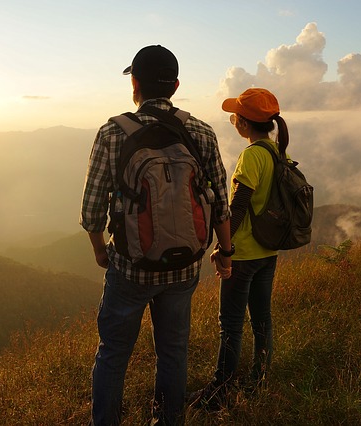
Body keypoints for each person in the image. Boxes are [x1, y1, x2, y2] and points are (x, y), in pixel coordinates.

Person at [80, 45, 232, 425]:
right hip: (184, 268)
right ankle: (168, 420)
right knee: (173, 351)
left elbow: (92, 208)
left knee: (114, 353)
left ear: (135, 84)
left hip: (130, 267)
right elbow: (220, 202)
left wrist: (101, 250)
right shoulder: (201, 132)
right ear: (176, 85)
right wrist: (225, 251)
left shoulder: (113, 133)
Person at [189, 88, 289, 410]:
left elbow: (240, 204)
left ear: (244, 124)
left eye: (235, 115)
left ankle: (220, 391)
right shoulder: (278, 152)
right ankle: (259, 379)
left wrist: (225, 249)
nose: (232, 119)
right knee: (262, 320)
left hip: (244, 253)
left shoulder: (252, 155)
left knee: (230, 324)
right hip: (268, 252)